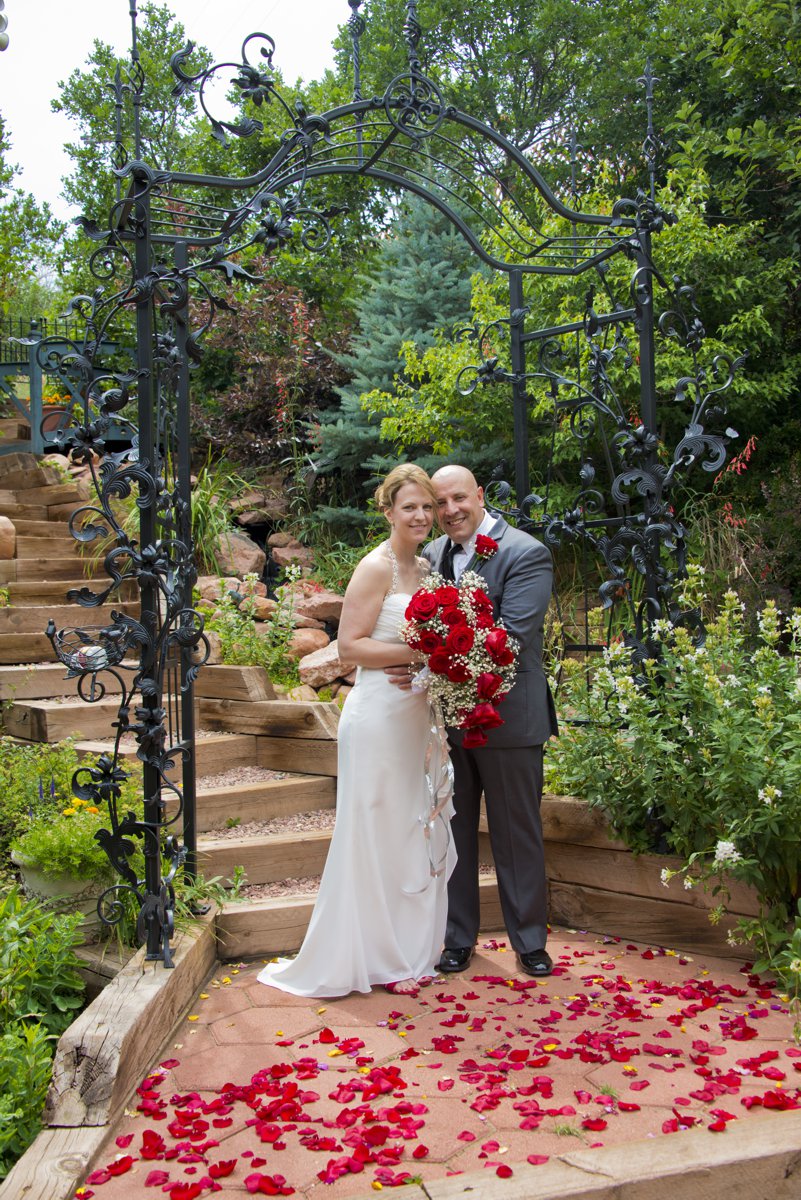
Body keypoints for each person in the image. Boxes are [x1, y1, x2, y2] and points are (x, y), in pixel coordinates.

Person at [258, 464, 455, 999]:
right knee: (373, 829)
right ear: (388, 510)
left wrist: (442, 660)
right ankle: (370, 955)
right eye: (409, 506)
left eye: (427, 507)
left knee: (410, 827)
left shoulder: (431, 569)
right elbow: (350, 648)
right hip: (377, 717)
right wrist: (429, 652)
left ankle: (406, 953)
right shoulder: (376, 568)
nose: (421, 516)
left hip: (415, 716)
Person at [392, 464, 557, 977]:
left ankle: (529, 941)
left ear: (480, 495)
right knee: (453, 832)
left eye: (458, 498)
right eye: (439, 503)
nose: (449, 511)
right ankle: (457, 937)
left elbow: (510, 638)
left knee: (516, 834)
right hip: (447, 721)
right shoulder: (434, 556)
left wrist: (426, 663)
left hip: (509, 719)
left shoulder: (526, 552)